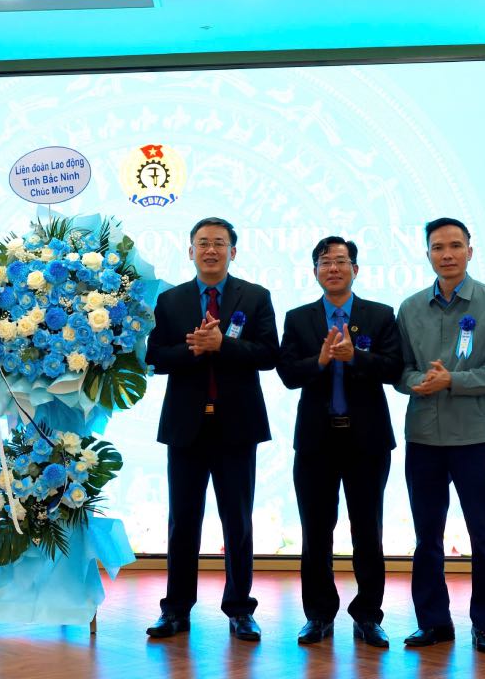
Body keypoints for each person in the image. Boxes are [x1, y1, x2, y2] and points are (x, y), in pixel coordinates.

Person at [144, 217, 279, 641]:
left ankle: (240, 608)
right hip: (186, 426)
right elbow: (155, 357)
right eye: (202, 243)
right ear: (190, 251)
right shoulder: (171, 300)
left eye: (220, 243)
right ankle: (176, 610)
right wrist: (194, 348)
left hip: (237, 426)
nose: (211, 250)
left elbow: (269, 353)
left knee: (237, 522)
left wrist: (224, 345)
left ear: (233, 252)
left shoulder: (255, 297)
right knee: (182, 521)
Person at [395, 217, 485, 655]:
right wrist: (416, 382)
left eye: (455, 246)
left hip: (477, 439)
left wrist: (452, 382)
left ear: (470, 250)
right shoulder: (409, 308)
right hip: (424, 438)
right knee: (427, 536)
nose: (446, 254)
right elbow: (401, 370)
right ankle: (433, 623)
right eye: (437, 247)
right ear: (427, 253)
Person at [277, 236, 402, 647]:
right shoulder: (299, 319)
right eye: (325, 262)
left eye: (341, 261)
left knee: (368, 530)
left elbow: (394, 368)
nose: (334, 268)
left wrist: (355, 358)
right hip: (316, 441)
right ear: (315, 271)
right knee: (316, 531)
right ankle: (319, 615)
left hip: (366, 441)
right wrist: (322, 361)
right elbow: (288, 373)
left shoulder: (380, 315)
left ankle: (368, 615)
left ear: (356, 269)